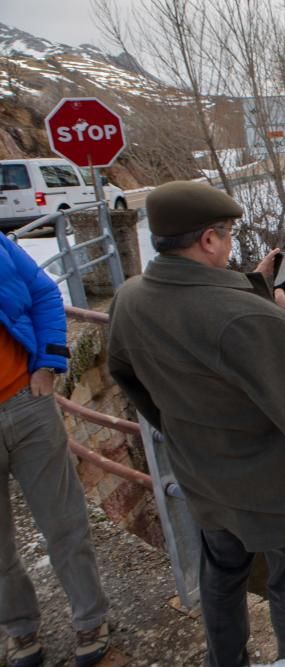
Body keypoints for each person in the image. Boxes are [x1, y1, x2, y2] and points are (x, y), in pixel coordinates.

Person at [106, 181, 285, 667]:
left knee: (221, 574)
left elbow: (128, 376)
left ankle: (225, 660)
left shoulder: (129, 299)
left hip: (204, 475)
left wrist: (254, 286)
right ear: (208, 240)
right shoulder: (255, 321)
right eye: (228, 234)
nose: (231, 244)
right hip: (275, 490)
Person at [0, 234, 111, 667]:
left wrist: (48, 363)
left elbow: (45, 293)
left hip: (26, 404)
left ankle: (91, 617)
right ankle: (19, 629)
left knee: (64, 523)